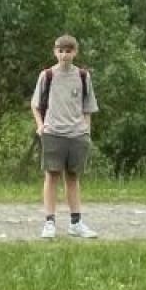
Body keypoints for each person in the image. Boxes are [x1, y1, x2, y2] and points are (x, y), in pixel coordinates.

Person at [31, 34, 99, 239]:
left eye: (68, 51)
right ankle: (49, 222)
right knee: (51, 176)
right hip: (53, 132)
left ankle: (76, 223)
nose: (64, 55)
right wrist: (41, 126)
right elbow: (35, 104)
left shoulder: (83, 76)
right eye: (60, 51)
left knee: (72, 177)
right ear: (55, 52)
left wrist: (86, 130)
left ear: (75, 52)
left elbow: (88, 107)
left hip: (77, 134)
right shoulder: (47, 76)